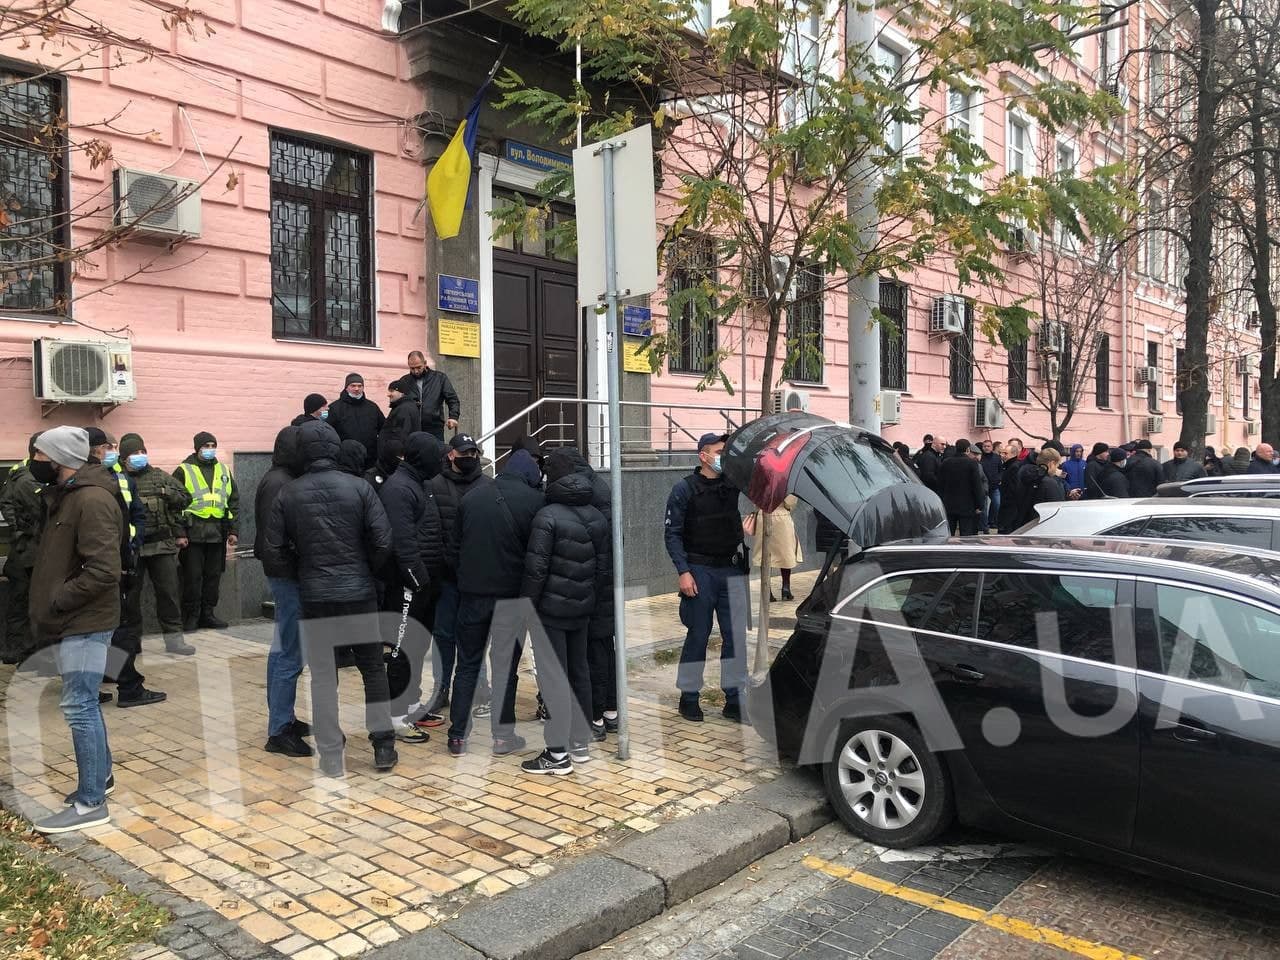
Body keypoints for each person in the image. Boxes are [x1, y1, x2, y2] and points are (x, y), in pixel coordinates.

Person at [263, 420, 396, 777]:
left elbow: (273, 550)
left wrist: (303, 571)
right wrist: (365, 570)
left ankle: (332, 755)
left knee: (323, 676)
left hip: (316, 595)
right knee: (372, 668)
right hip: (359, 593)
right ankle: (383, 744)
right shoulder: (360, 487)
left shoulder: (288, 493)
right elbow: (383, 540)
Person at [26, 427, 122, 834]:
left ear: (59, 458)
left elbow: (103, 570)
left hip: (85, 619)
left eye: (39, 455)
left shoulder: (91, 499)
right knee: (84, 704)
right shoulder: (67, 495)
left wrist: (58, 599)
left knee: (79, 705)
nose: (34, 461)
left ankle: (90, 804)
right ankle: (101, 777)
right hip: (74, 619)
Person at [446, 449, 545, 756]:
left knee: (467, 665)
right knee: (505, 668)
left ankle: (457, 736)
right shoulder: (535, 502)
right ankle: (502, 737)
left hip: (472, 596)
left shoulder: (472, 498)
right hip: (511, 600)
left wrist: (466, 580)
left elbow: (453, 549)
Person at [520, 448, 611, 775]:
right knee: (579, 672)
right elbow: (602, 570)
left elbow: (536, 570)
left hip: (551, 612)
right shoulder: (595, 515)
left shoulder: (546, 517)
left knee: (554, 677)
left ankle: (557, 753)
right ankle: (580, 743)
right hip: (582, 609)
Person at [664, 433, 748, 724]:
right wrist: (683, 571)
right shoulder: (684, 489)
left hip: (730, 568)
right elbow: (672, 534)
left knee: (735, 637)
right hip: (699, 570)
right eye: (719, 451)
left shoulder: (731, 484)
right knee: (698, 635)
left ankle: (734, 700)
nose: (723, 456)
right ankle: (689, 697)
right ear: (703, 455)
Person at [376, 431, 447, 736]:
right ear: (423, 457)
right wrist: (417, 581)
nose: (442, 461)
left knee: (417, 646)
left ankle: (412, 704)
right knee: (402, 650)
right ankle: (396, 715)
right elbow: (402, 543)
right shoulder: (399, 488)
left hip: (424, 584)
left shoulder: (421, 483)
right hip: (408, 585)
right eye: (438, 456)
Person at [253, 425, 313, 759]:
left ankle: (282, 716)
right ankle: (279, 731)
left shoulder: (278, 477)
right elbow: (279, 538)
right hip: (288, 577)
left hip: (282, 574)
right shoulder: (282, 483)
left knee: (282, 649)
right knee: (291, 652)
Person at [426, 433, 493, 714]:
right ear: (451, 454)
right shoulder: (434, 485)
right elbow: (432, 530)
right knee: (443, 635)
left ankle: (479, 690)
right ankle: (441, 689)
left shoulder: (488, 485)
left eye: (473, 453)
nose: (470, 457)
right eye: (464, 453)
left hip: (478, 578)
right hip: (447, 578)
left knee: (475, 637)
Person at [118, 433, 194, 662]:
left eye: (143, 451)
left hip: (161, 545)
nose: (140, 456)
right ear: (124, 457)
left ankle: (174, 640)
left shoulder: (159, 476)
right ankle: (132, 642)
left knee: (169, 593)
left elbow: (186, 497)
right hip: (134, 547)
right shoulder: (119, 479)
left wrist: (165, 492)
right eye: (135, 453)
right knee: (131, 597)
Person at [175, 432, 237, 631]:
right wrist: (180, 533)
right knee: (192, 577)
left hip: (217, 533)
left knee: (213, 577)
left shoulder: (223, 470)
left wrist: (233, 530)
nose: (210, 449)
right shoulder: (184, 470)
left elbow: (233, 502)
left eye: (213, 445)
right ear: (197, 448)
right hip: (193, 533)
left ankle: (208, 614)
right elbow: (175, 505)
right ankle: (191, 616)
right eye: (206, 446)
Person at [0, 433, 43, 665]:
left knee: (26, 601)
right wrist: (21, 529)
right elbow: (37, 511)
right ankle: (18, 649)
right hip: (25, 552)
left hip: (30, 550)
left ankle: (22, 649)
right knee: (21, 601)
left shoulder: (27, 474)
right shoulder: (26, 478)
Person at [327, 373, 385, 472]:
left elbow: (383, 429)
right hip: (345, 461)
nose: (357, 389)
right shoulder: (335, 408)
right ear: (346, 387)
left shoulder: (372, 407)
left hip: (370, 461)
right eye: (353, 386)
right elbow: (329, 433)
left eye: (360, 386)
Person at [749, 495, 802, 601]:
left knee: (764, 554)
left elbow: (756, 500)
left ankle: (767, 590)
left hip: (763, 517)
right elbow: (790, 502)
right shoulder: (785, 484)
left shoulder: (761, 483)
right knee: (785, 553)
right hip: (781, 517)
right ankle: (786, 588)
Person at [407, 351, 461, 441]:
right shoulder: (405, 381)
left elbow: (452, 399)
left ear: (425, 363)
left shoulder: (439, 378)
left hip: (434, 428)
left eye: (419, 367)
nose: (416, 371)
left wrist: (453, 417)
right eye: (412, 368)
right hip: (412, 429)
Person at [938, 438, 987, 536]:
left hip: (949, 504)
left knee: (949, 534)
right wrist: (980, 504)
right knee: (966, 534)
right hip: (967, 505)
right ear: (968, 449)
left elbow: (940, 484)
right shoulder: (972, 463)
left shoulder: (946, 462)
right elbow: (976, 485)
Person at [380, 376, 422, 452]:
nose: (388, 394)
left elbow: (401, 435)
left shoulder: (404, 409)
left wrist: (395, 454)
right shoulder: (403, 406)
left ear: (402, 393)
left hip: (396, 454)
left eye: (392, 391)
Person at [995, 439, 1025, 533]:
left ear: (1013, 454)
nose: (1002, 455)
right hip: (1007, 504)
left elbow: (1014, 488)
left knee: (1007, 530)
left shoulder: (1014, 467)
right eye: (1002, 453)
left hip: (1010, 506)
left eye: (1005, 453)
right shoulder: (1008, 466)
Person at [979, 441, 1003, 530]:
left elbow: (1001, 470)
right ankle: (984, 526)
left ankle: (992, 522)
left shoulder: (997, 457)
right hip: (983, 487)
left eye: (988, 446)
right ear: (982, 447)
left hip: (994, 486)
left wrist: (999, 479)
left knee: (997, 504)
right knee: (983, 508)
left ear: (992, 447)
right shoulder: (980, 457)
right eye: (985, 446)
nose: (986, 448)